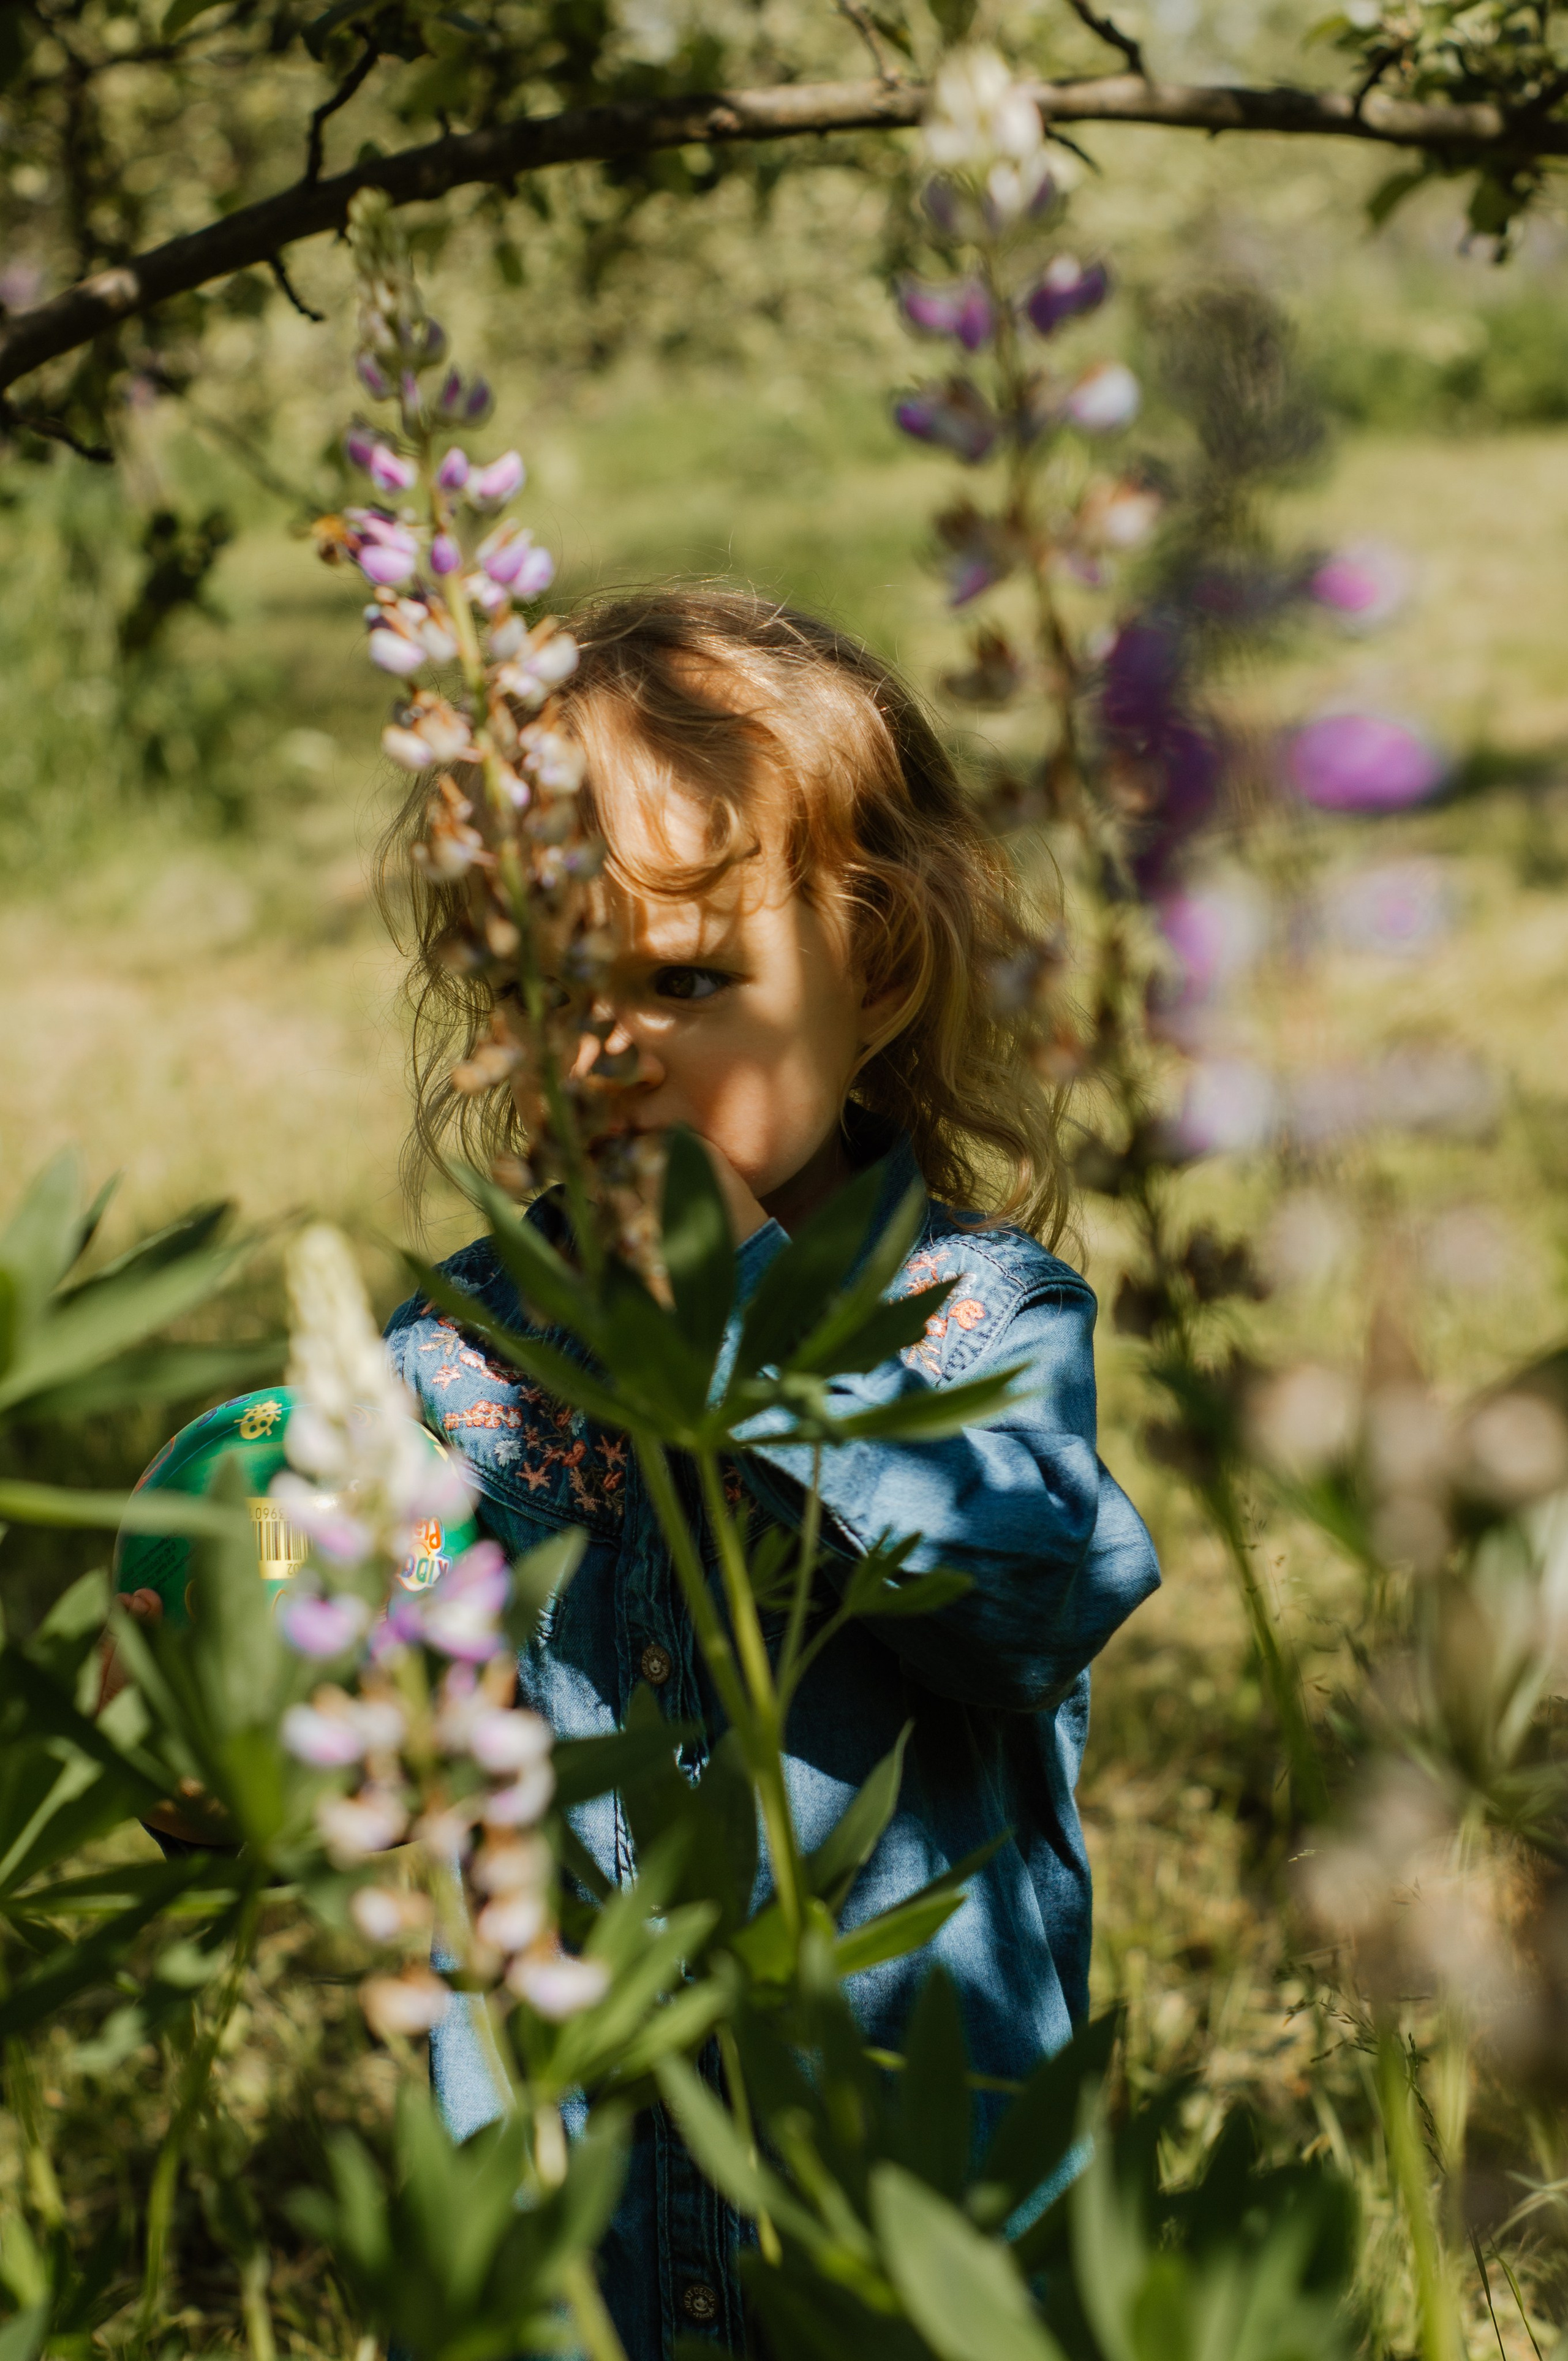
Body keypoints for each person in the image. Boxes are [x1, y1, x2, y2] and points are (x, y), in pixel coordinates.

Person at [381, 588, 1159, 2359]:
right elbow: (346, 1591)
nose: (604, 1059)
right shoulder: (448, 1360)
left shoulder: (976, 1320)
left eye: (683, 984)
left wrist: (740, 1315)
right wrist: (229, 1613)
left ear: (875, 976)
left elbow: (1038, 1605)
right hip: (566, 2217)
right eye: (539, 986)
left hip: (900, 2210)